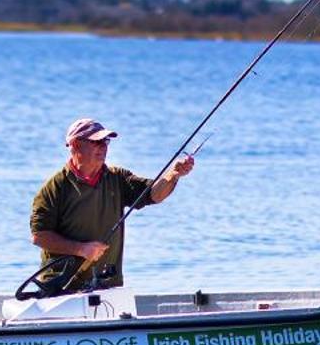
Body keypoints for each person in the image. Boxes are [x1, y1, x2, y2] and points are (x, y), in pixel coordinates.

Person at [28, 117, 196, 292]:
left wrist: (173, 174)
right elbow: (39, 236)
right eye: (96, 142)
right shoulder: (55, 187)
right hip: (61, 289)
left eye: (105, 141)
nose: (103, 146)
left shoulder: (118, 178)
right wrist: (81, 249)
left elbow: (154, 194)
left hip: (107, 287)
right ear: (76, 145)